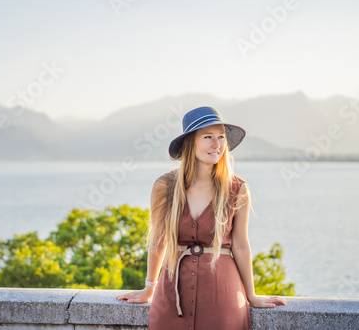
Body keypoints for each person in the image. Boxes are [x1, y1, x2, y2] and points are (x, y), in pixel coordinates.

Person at [116, 106, 287, 329]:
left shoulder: (237, 189)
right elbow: (158, 241)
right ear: (190, 143)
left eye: (221, 137)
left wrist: (252, 295)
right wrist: (150, 287)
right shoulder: (164, 187)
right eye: (208, 137)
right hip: (171, 295)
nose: (217, 144)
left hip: (223, 295)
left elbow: (241, 245)